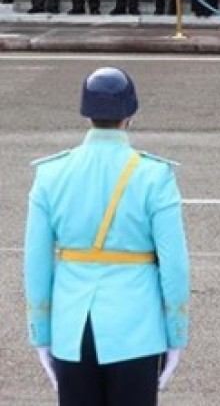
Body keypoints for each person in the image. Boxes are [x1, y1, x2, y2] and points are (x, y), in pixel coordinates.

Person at [24, 67, 189, 405]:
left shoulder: (51, 174)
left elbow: (36, 265)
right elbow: (175, 267)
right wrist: (176, 334)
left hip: (72, 328)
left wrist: (41, 333)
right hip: (136, 328)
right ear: (130, 113)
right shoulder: (154, 175)